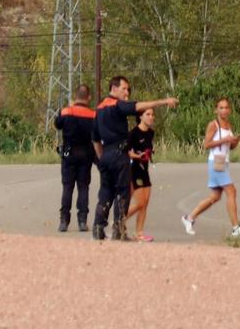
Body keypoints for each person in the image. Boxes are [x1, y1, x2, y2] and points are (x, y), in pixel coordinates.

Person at [92, 75, 177, 241]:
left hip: (106, 155)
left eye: (127, 90)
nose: (126, 92)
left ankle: (98, 228)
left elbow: (95, 139)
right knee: (122, 193)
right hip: (119, 155)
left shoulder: (99, 109)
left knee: (105, 193)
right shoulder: (117, 105)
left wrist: (102, 158)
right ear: (114, 88)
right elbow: (139, 106)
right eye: (124, 89)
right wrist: (164, 101)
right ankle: (118, 230)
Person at [182, 96, 240, 239]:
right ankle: (236, 228)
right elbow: (206, 144)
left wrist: (235, 141)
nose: (224, 110)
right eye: (221, 107)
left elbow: (230, 146)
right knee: (231, 191)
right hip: (216, 163)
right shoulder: (214, 125)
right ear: (216, 110)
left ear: (229, 110)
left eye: (226, 107)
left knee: (215, 196)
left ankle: (189, 218)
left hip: (224, 162)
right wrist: (225, 139)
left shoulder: (228, 125)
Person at [52, 83, 98, 232]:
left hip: (69, 154)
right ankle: (82, 221)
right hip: (86, 155)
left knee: (67, 187)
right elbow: (98, 135)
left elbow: (57, 125)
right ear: (89, 98)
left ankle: (64, 221)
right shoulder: (93, 115)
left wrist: (66, 108)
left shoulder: (66, 112)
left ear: (75, 96)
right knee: (83, 187)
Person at [125, 107, 157, 241]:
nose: (151, 117)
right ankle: (119, 220)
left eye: (152, 114)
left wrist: (150, 152)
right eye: (148, 114)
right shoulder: (133, 133)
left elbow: (148, 147)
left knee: (145, 204)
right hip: (135, 169)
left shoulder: (150, 132)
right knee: (139, 203)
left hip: (145, 169)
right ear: (141, 117)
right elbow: (128, 152)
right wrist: (138, 156)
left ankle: (139, 233)